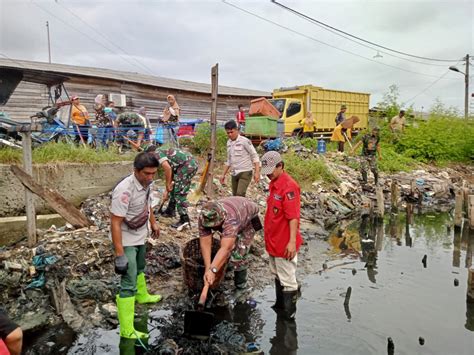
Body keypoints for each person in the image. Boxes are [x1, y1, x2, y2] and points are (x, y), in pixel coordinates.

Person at [110, 152, 162, 339]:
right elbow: (115, 222)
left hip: (141, 233)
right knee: (128, 281)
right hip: (126, 239)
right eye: (146, 173)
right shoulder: (124, 190)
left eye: (153, 173)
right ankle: (127, 330)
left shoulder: (147, 183)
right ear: (136, 171)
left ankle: (142, 295)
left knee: (140, 267)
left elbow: (148, 205)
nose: (150, 177)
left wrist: (153, 222)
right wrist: (119, 254)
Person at [260, 151, 302, 319]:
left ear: (281, 166)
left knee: (288, 279)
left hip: (284, 242)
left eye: (271, 171)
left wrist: (291, 242)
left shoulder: (289, 186)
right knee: (277, 273)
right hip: (273, 240)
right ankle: (280, 305)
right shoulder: (274, 183)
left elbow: (293, 217)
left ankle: (289, 316)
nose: (268, 175)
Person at [198, 197, 260, 292]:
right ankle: (227, 265)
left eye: (214, 225)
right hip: (236, 212)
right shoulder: (204, 216)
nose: (212, 227)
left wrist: (213, 270)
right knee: (227, 245)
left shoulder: (231, 219)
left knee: (238, 254)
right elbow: (205, 243)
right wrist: (208, 268)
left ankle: (241, 286)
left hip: (249, 218)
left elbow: (226, 248)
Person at [145, 145, 198, 229]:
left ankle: (184, 220)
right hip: (188, 164)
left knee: (180, 192)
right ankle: (170, 210)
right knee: (175, 188)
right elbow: (172, 171)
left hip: (187, 165)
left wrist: (167, 184)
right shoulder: (164, 151)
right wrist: (168, 189)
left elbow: (168, 168)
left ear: (150, 153)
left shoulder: (157, 153)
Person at [220, 120, 260, 197]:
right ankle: (241, 208)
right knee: (235, 195)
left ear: (237, 130)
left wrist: (257, 172)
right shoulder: (229, 143)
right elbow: (229, 160)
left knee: (240, 194)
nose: (230, 134)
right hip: (234, 173)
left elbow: (254, 156)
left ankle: (243, 208)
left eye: (232, 132)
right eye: (228, 133)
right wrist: (223, 174)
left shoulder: (244, 141)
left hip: (245, 172)